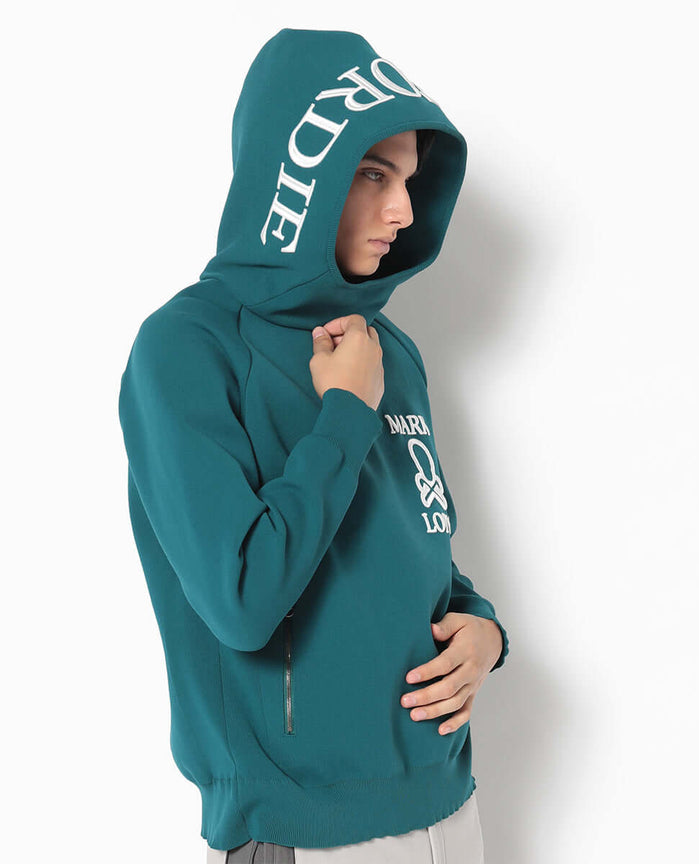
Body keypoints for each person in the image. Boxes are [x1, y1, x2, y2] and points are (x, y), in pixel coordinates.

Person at [118, 27, 509, 864]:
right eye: (372, 174)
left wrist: (482, 629)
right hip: (306, 833)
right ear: (295, 175)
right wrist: (343, 413)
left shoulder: (390, 352)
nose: (403, 211)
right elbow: (241, 599)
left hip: (454, 811)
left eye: (408, 180)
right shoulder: (186, 349)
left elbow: (413, 556)